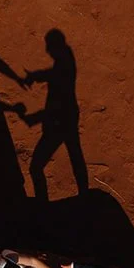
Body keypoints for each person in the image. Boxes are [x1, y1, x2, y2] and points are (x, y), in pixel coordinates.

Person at [23, 29, 89, 201]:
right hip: (66, 118)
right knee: (75, 156)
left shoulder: (64, 62)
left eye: (49, 46)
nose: (47, 50)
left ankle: (42, 205)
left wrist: (35, 118)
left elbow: (54, 78)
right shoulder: (65, 59)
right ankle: (85, 196)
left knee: (36, 166)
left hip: (59, 123)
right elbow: (53, 75)